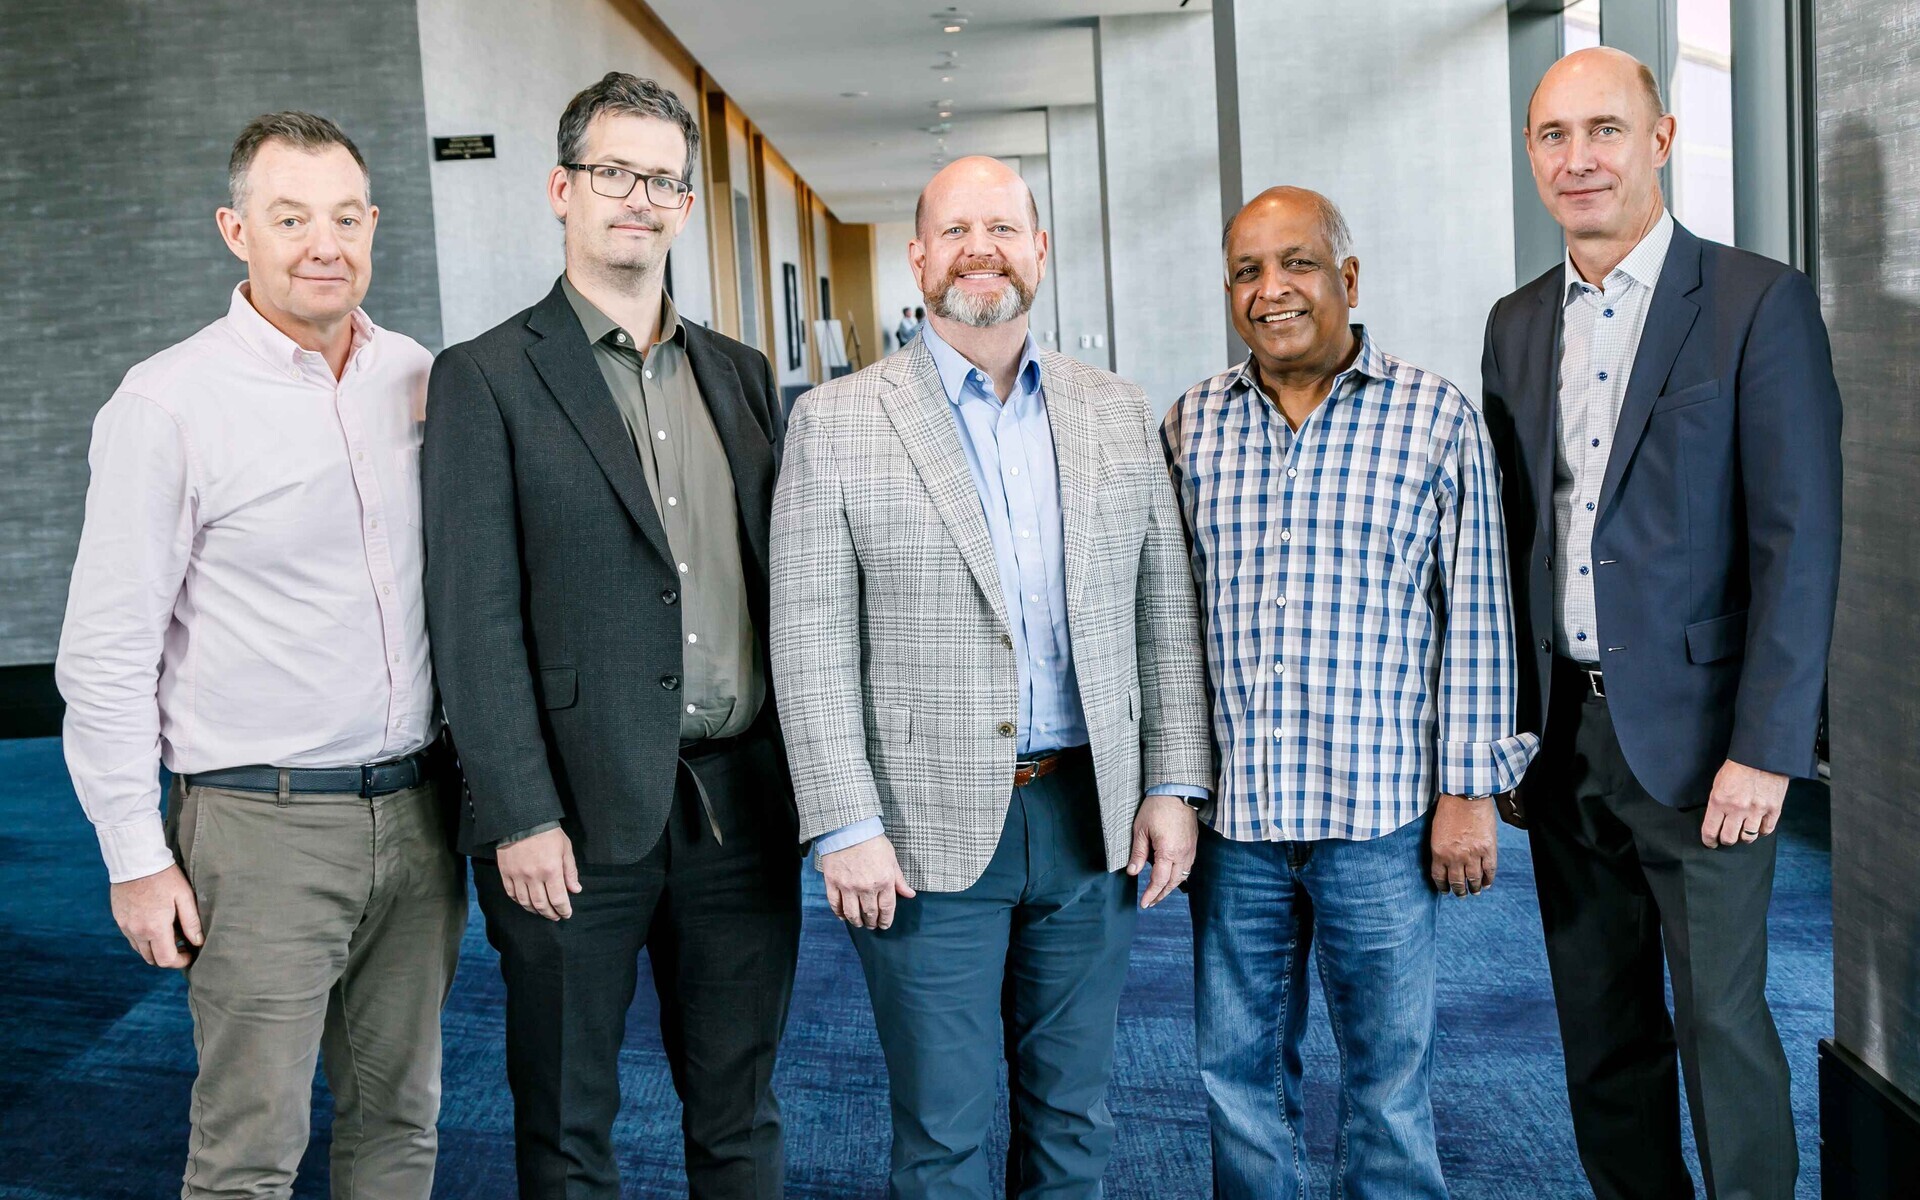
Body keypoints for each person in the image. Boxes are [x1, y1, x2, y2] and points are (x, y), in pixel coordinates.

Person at [770, 155, 1211, 1198]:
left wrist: (1172, 783)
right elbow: (809, 638)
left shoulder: (1115, 410)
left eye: (1005, 229)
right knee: (945, 1130)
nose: (983, 251)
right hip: (918, 833)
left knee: (1074, 1117)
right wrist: (844, 824)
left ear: (1040, 250)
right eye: (958, 230)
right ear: (918, 256)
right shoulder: (836, 423)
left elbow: (1164, 616)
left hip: (1086, 811)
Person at [55, 111, 464, 1199]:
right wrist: (134, 858)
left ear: (373, 225)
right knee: (250, 1150)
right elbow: (105, 653)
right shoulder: (167, 402)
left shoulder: (418, 377)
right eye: (290, 218)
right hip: (259, 828)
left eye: (342, 216)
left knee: (402, 1122)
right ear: (237, 230)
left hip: (422, 819)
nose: (322, 243)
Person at [421, 72, 799, 1199]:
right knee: (570, 1125)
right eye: (614, 174)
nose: (640, 198)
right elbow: (472, 616)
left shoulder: (740, 374)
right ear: (562, 189)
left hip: (740, 809)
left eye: (664, 180)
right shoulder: (485, 377)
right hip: (570, 826)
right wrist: (520, 813)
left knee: (739, 1115)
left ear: (686, 204)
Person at [1482, 48, 1842, 1199]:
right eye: (1552, 136)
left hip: (1707, 750)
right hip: (1563, 740)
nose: (1578, 158)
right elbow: (1512, 544)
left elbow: (1799, 540)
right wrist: (1500, 733)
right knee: (1601, 1036)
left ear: (1664, 139)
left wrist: (1769, 748)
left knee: (1724, 1032)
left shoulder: (1755, 301)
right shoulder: (1516, 322)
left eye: (1604, 130)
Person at [1163, 186, 1536, 1198]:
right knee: (1235, 1077)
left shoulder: (1434, 415)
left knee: (1387, 1081)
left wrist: (1468, 790)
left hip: (1380, 817)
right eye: (1247, 271)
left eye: (1297, 264)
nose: (1272, 289)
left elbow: (1480, 618)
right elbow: (1167, 627)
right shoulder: (1193, 425)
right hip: (1235, 824)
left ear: (1348, 280)